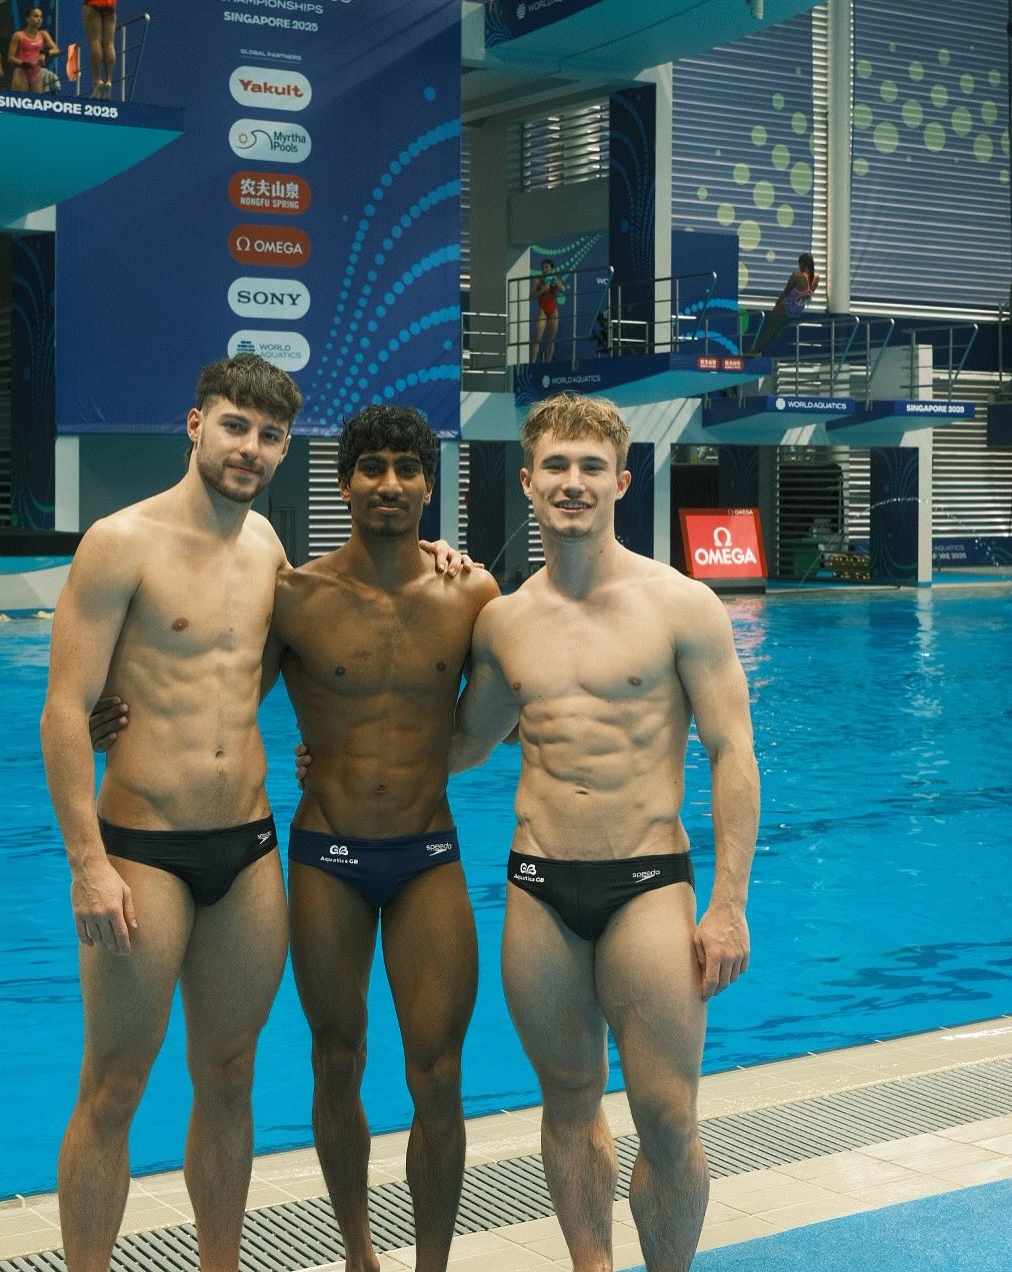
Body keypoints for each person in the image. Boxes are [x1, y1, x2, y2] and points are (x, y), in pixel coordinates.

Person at [449, 392, 760, 1272]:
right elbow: (465, 743)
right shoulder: (503, 620)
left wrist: (728, 905)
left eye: (592, 467)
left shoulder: (681, 606)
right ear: (526, 481)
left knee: (667, 1116)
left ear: (622, 482)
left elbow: (732, 753)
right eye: (555, 465)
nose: (573, 482)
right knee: (568, 1101)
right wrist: (347, 757)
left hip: (648, 883)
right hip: (538, 885)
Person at [41, 354, 305, 1272]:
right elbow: (65, 711)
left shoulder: (268, 548)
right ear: (195, 425)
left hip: (248, 850)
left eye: (270, 436)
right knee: (114, 1087)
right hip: (141, 851)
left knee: (230, 1077)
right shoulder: (122, 541)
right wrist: (87, 864)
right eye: (235, 426)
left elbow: (274, 667)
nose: (250, 448)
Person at [272, 406, 498, 1272]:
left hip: (425, 854)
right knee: (337, 1059)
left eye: (407, 468)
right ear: (344, 483)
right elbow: (214, 692)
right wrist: (111, 714)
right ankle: (359, 1256)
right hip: (326, 853)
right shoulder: (295, 597)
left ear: (430, 485)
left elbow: (525, 704)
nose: (390, 484)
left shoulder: (471, 594)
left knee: (438, 1075)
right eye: (372, 467)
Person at [748, 252, 818, 355]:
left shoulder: (797, 276)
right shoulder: (816, 278)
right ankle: (759, 351)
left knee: (769, 331)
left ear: (803, 263)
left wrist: (777, 304)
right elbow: (807, 295)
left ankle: (753, 352)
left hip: (785, 308)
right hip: (797, 312)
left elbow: (786, 292)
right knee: (776, 333)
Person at [7, 7, 59, 92]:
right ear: (28, 19)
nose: (39, 19)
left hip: (36, 73)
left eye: (40, 17)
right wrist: (26, 64)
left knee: (36, 99)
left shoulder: (43, 34)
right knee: (20, 98)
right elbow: (10, 58)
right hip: (22, 72)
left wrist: (45, 53)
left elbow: (56, 50)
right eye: (36, 16)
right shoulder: (18, 35)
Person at [530, 258, 562, 363]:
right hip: (542, 311)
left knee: (551, 340)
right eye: (543, 267)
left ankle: (548, 364)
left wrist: (557, 283)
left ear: (551, 269)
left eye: (547, 267)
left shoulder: (554, 278)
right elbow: (531, 296)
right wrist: (542, 290)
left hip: (553, 311)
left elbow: (563, 290)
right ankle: (533, 363)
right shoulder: (538, 280)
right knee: (537, 338)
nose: (544, 269)